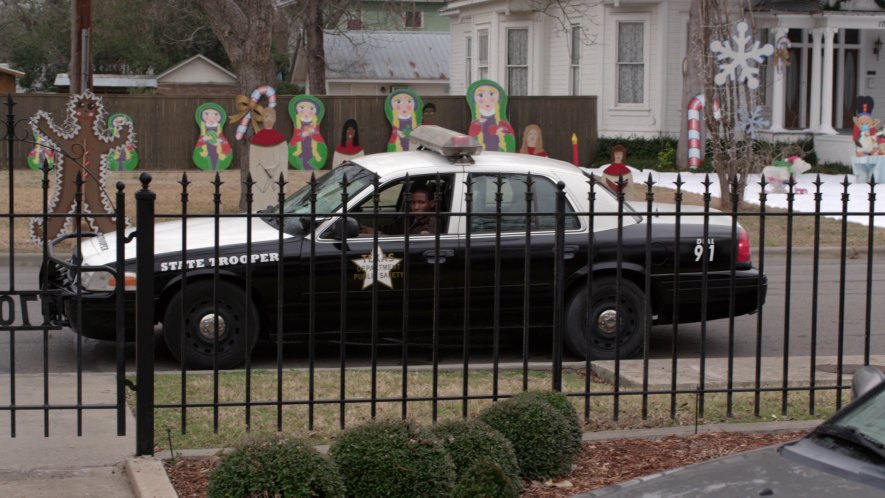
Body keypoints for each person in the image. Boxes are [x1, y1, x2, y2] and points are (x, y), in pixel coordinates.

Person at [362, 185, 438, 235]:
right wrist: (370, 230)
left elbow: (420, 240)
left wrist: (379, 234)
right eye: (412, 202)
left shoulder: (433, 222)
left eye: (421, 202)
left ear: (432, 203)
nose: (416, 207)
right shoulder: (411, 218)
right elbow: (392, 229)